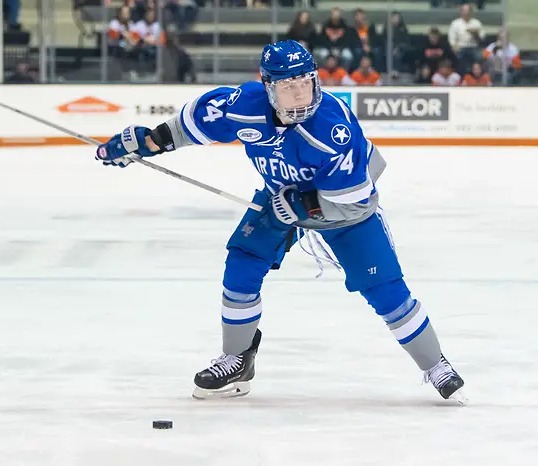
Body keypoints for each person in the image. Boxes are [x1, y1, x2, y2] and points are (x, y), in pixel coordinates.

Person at [95, 40, 466, 404]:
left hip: (344, 210)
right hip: (280, 197)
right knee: (241, 265)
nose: (300, 97)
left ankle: (435, 365)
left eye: (306, 84)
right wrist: (139, 143)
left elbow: (353, 202)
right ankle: (237, 359)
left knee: (384, 289)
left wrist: (306, 204)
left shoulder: (334, 129)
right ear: (268, 87)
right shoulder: (240, 106)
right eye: (288, 88)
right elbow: (182, 129)